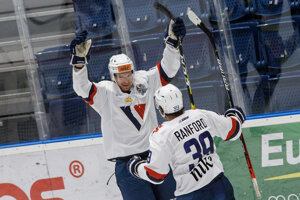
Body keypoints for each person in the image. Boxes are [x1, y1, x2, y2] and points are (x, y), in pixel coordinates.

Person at [70, 17, 186, 200]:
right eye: (120, 76)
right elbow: (81, 88)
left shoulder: (144, 82)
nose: (125, 80)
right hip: (127, 167)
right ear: (113, 76)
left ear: (133, 72)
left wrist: (172, 44)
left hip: (155, 157)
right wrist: (79, 62)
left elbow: (168, 69)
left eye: (128, 74)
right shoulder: (105, 93)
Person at [127, 84, 246, 200]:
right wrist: (235, 115)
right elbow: (233, 130)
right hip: (219, 186)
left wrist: (136, 166)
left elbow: (156, 175)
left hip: (191, 194)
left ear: (161, 110)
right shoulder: (200, 114)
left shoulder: (162, 134)